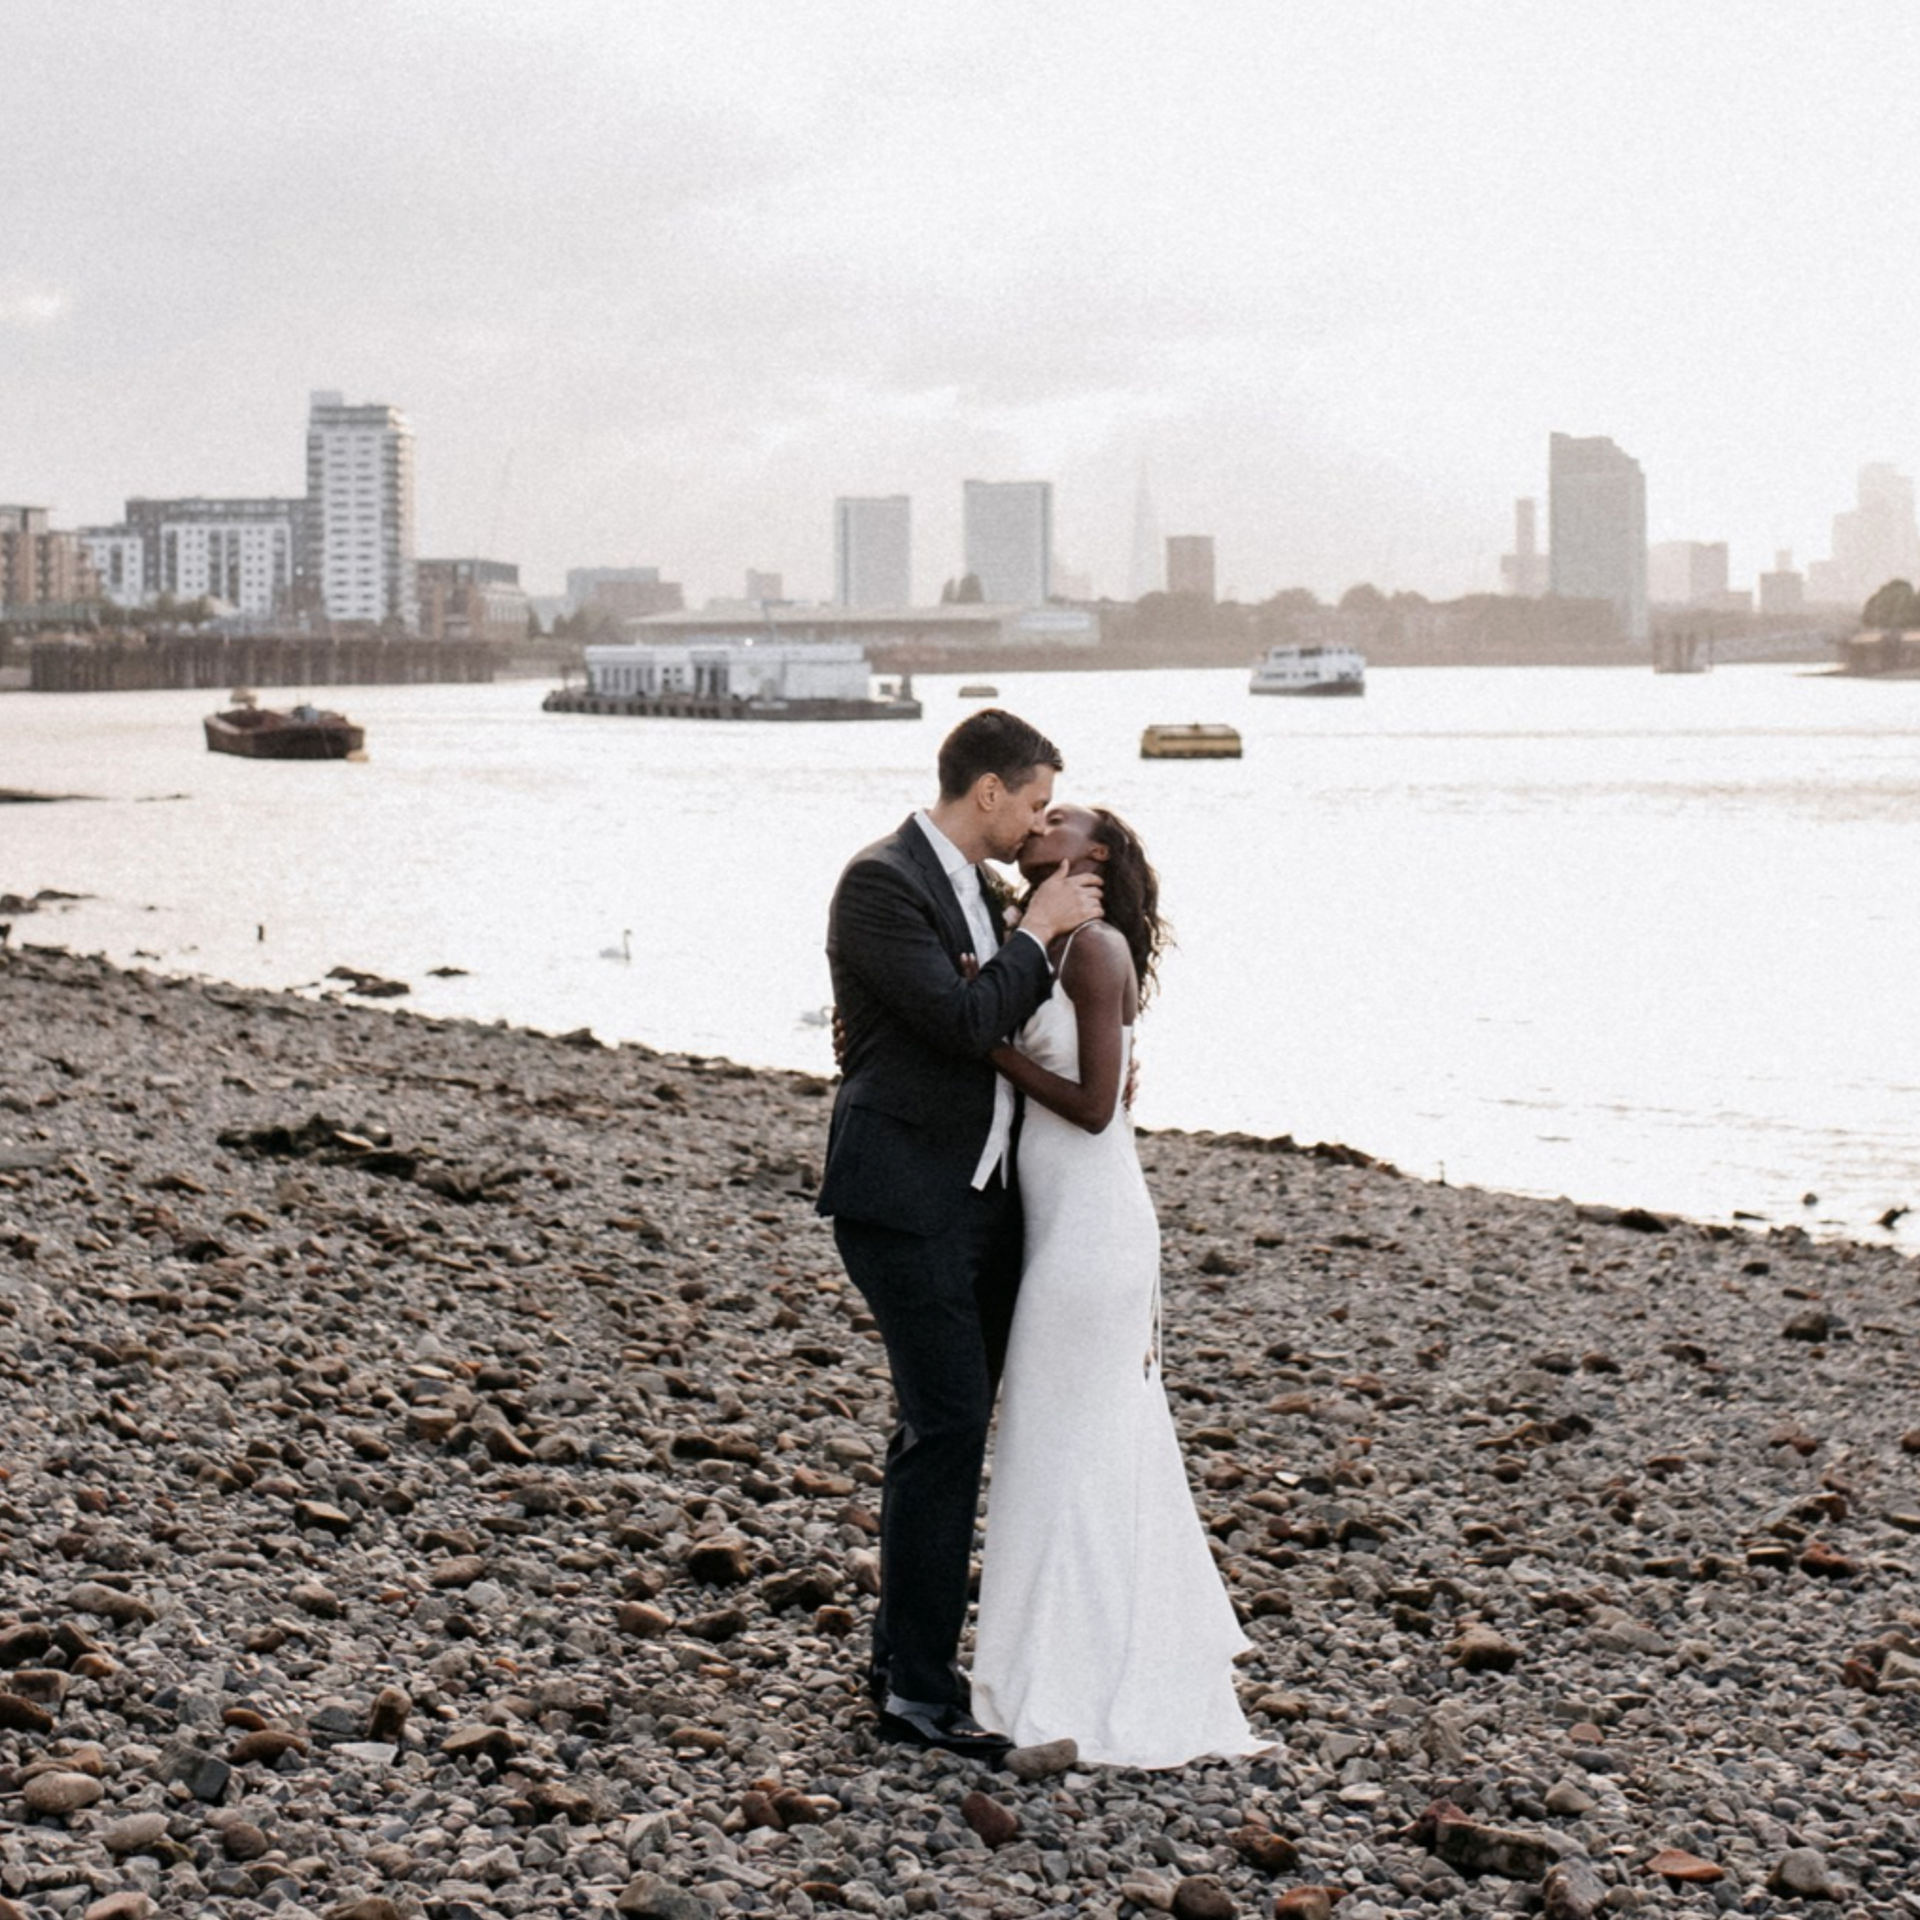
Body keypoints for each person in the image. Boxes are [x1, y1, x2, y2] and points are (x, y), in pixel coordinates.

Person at [818, 709, 1104, 1760]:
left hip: (982, 1202)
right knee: (946, 1431)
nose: (1037, 824)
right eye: (1032, 802)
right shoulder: (882, 880)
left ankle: (905, 1662)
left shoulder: (982, 891)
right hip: (902, 1200)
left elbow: (990, 1028)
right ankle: (915, 1697)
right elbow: (956, 1021)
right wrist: (1037, 933)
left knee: (944, 1433)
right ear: (988, 791)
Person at [969, 802, 1267, 1769]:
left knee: (1073, 1443)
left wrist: (992, 1048)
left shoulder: (1093, 950)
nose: (1038, 821)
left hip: (1094, 1233)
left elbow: (1097, 1109)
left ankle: (1090, 1678)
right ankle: (1043, 1669)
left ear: (1090, 855)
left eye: (1059, 817)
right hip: (1057, 1225)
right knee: (1056, 1446)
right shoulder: (1045, 941)